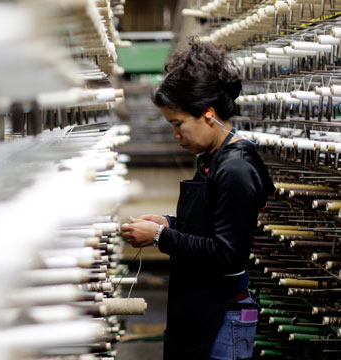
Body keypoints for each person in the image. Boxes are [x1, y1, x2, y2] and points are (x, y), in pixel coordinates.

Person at [121, 38, 275, 360]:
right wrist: (169, 223)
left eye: (178, 125)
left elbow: (225, 252)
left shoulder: (236, 169)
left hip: (221, 318)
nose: (176, 135)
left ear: (208, 114)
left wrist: (162, 237)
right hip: (198, 312)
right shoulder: (212, 158)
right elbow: (209, 226)